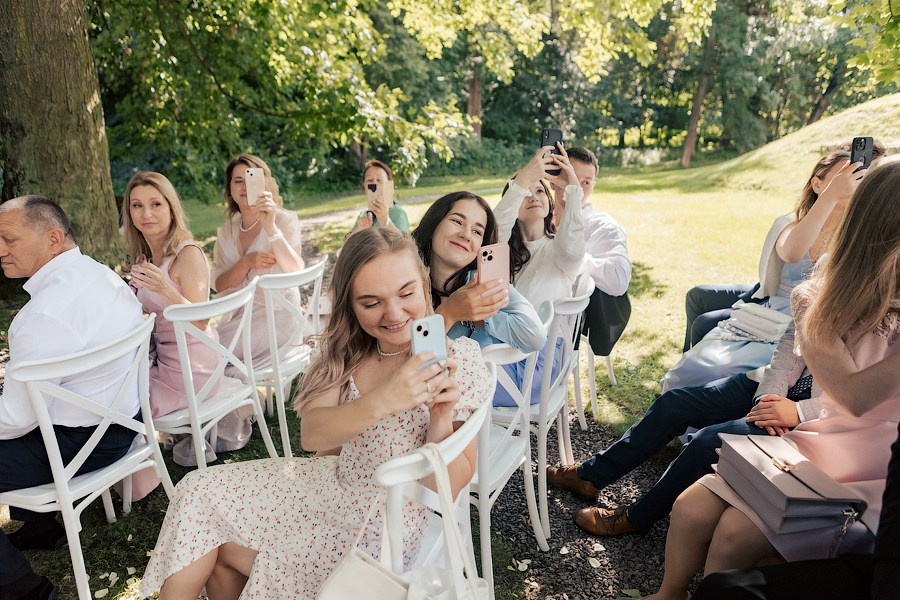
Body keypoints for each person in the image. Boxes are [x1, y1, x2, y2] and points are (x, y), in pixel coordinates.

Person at [139, 227, 492, 599]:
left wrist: (439, 418)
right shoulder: (349, 353)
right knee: (198, 491)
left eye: (406, 293)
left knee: (222, 548)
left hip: (380, 526)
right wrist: (385, 399)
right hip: (328, 486)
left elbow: (448, 485)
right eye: (371, 303)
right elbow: (313, 436)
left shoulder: (457, 361)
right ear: (351, 305)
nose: (394, 313)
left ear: (424, 286)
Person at [647, 161, 900, 600]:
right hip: (830, 437)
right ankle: (668, 594)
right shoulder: (822, 295)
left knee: (733, 535)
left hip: (884, 463)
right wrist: (775, 397)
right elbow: (854, 396)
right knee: (690, 507)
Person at [548, 321, 822, 537]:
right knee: (673, 404)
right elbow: (792, 339)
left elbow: (862, 403)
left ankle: (637, 517)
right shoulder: (829, 265)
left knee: (706, 443)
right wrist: (769, 397)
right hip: (775, 386)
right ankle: (592, 475)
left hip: (821, 419)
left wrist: (797, 412)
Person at [0, 196, 144, 600]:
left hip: (81, 446)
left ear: (53, 239)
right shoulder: (102, 275)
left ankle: (21, 588)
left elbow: (15, 420)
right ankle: (45, 527)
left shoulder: (41, 316)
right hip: (121, 425)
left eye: (8, 239)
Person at [661, 147, 873, 392]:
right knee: (702, 364)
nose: (854, 178)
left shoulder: (859, 236)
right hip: (772, 317)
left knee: (726, 372)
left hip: (813, 326)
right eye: (844, 173)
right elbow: (792, 252)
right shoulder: (791, 224)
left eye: (860, 173)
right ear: (817, 183)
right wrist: (831, 197)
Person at [691, 419, 900, 600]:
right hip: (820, 434)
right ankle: (671, 591)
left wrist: (799, 408)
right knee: (693, 505)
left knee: (735, 533)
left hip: (865, 459)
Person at [122, 171, 225, 470]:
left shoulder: (188, 254)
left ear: (171, 208)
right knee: (110, 386)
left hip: (193, 369)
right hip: (164, 361)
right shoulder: (144, 260)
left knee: (119, 401)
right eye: (137, 206)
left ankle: (137, 472)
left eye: (156, 204)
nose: (146, 213)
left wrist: (164, 289)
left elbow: (202, 322)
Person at [490, 144, 586, 405]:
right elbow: (493, 233)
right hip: (503, 351)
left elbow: (574, 242)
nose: (533, 196)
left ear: (550, 200)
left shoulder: (560, 252)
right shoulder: (502, 256)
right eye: (525, 193)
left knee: (457, 383)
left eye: (540, 190)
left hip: (538, 364)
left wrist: (572, 188)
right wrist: (522, 180)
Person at [411, 191, 546, 352]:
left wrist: (478, 314)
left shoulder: (484, 283)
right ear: (434, 224)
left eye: (477, 231)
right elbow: (407, 360)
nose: (466, 235)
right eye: (457, 221)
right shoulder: (406, 285)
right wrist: (449, 313)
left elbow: (535, 338)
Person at [213, 153, 305, 363]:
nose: (245, 187)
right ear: (229, 190)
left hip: (277, 315)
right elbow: (220, 285)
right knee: (203, 349)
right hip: (241, 315)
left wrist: (270, 227)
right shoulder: (226, 232)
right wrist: (246, 262)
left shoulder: (283, 220)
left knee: (208, 354)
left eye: (251, 180)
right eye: (238, 181)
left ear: (264, 184)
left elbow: (295, 272)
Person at [346, 159, 410, 237]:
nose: (374, 184)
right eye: (370, 180)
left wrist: (385, 221)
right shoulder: (363, 215)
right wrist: (360, 229)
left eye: (379, 180)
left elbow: (404, 244)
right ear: (365, 187)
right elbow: (346, 246)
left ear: (389, 186)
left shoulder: (398, 213)